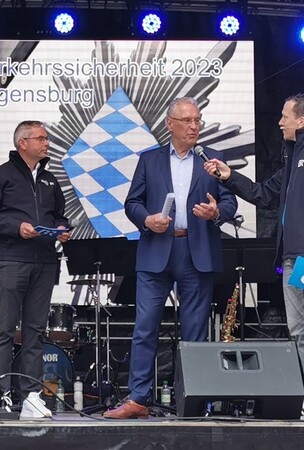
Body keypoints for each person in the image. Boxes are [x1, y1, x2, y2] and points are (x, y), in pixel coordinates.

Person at [104, 98, 237, 419]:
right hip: (157, 250)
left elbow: (230, 201)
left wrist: (216, 211)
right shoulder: (150, 160)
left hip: (197, 251)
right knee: (145, 327)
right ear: (170, 124)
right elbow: (132, 202)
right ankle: (138, 399)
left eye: (198, 121)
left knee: (195, 333)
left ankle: (194, 400)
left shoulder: (212, 160)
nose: (194, 127)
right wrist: (147, 220)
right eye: (187, 121)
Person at [204, 93, 304, 371]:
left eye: (286, 116)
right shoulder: (291, 161)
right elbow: (263, 195)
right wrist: (229, 176)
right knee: (298, 331)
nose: (280, 122)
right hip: (294, 260)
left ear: (302, 120)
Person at [0, 120, 70, 420]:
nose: (47, 143)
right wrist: (16, 227)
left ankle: (31, 396)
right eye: (41, 138)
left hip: (45, 261)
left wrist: (61, 228)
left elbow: (60, 214)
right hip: (11, 259)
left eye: (47, 138)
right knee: (5, 328)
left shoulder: (50, 180)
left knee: (35, 331)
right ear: (23, 143)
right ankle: (2, 393)